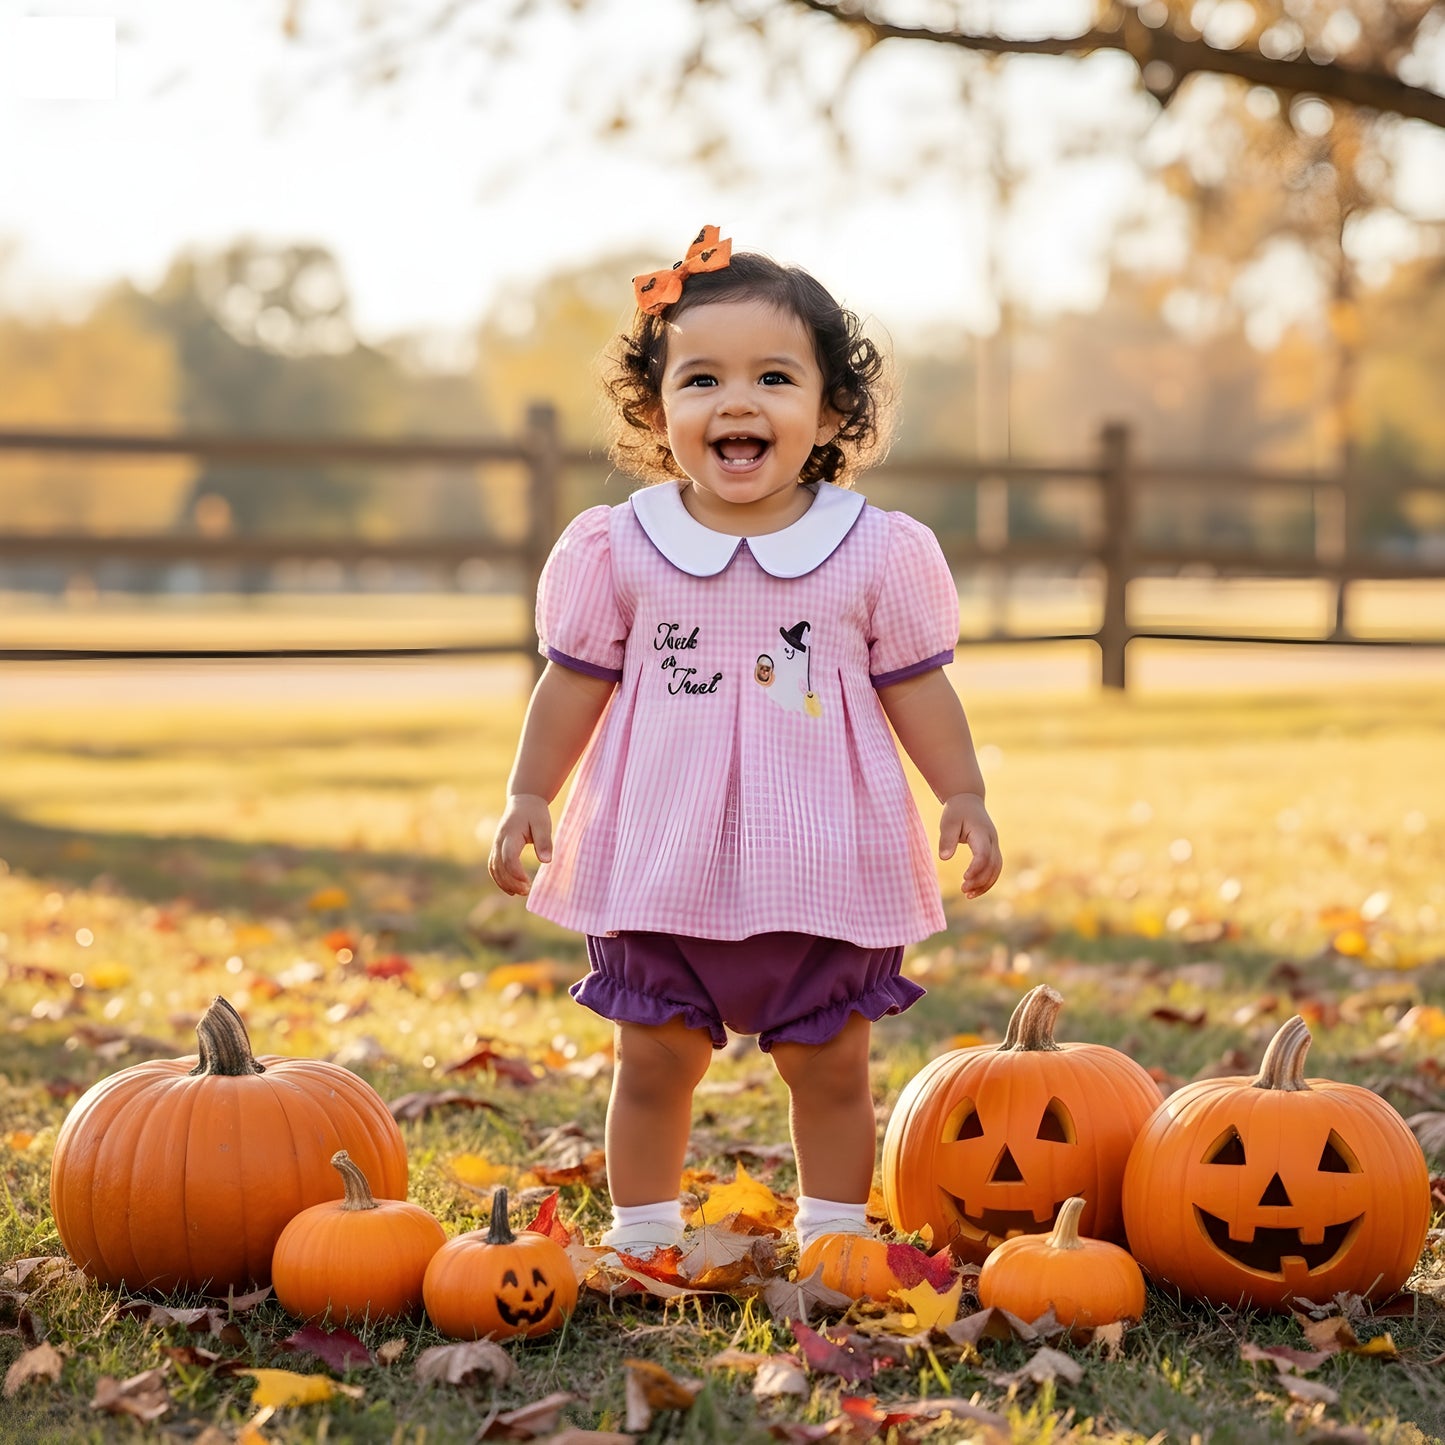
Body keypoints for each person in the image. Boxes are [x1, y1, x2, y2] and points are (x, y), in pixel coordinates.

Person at [488, 226, 1002, 1265]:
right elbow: (574, 680)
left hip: (821, 853)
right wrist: (530, 792)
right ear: (654, 409)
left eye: (773, 376)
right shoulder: (619, 546)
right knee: (653, 1057)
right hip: (658, 853)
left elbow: (916, 684)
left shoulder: (870, 551)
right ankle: (640, 1235)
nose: (736, 402)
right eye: (700, 378)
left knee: (829, 1062)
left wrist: (961, 790)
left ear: (829, 411)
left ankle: (833, 1238)